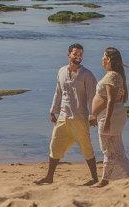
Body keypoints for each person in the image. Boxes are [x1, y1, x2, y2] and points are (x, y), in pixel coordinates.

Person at [35, 43, 100, 185]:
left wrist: (92, 116)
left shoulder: (87, 75)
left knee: (87, 149)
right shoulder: (61, 71)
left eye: (81, 54)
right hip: (63, 117)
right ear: (68, 55)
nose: (78, 56)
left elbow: (92, 97)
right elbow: (58, 92)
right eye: (75, 54)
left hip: (80, 118)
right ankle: (49, 177)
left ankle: (94, 179)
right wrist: (53, 111)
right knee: (55, 146)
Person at [90, 47, 129, 187]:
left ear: (108, 59)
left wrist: (107, 120)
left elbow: (111, 100)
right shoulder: (114, 75)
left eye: (103, 56)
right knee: (114, 149)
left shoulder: (112, 76)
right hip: (112, 115)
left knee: (108, 149)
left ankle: (105, 180)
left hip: (110, 116)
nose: (101, 58)